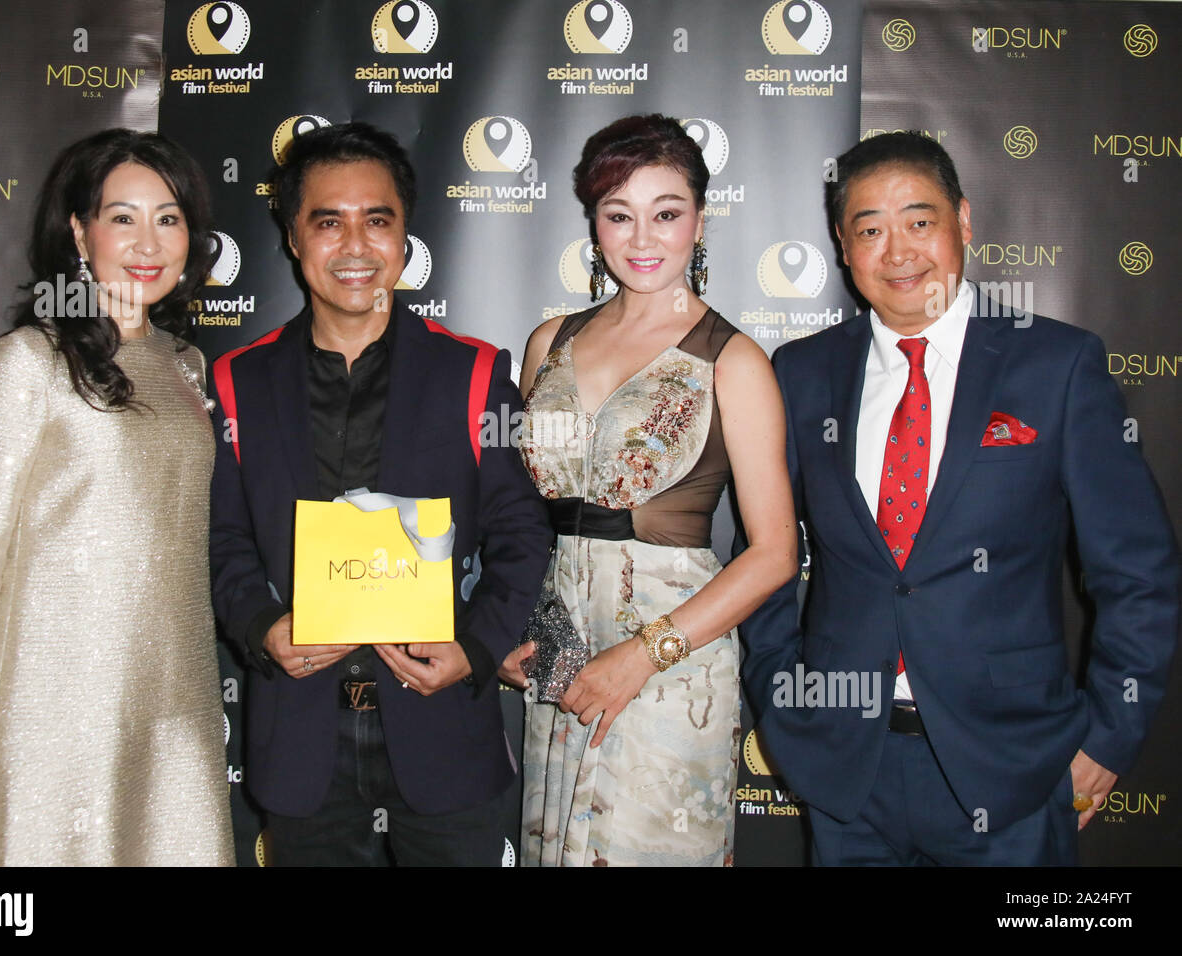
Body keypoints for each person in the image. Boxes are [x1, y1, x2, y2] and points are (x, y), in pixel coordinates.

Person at [741, 132, 1180, 865]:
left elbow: (1137, 570)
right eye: (870, 230)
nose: (899, 250)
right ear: (844, 248)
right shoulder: (802, 372)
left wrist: (1109, 736)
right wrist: (785, 711)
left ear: (964, 222)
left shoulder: (1057, 365)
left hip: (1012, 775)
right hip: (848, 775)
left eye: (920, 221)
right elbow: (765, 556)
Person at [208, 122, 551, 866]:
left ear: (404, 236)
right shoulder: (240, 381)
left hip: (441, 726)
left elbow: (522, 530)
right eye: (328, 222)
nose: (355, 247)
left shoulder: (473, 374)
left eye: (378, 220)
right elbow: (223, 540)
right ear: (294, 237)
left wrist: (476, 646)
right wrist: (263, 626)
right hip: (300, 734)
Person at [0, 129, 233, 866]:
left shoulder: (186, 366)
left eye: (168, 218)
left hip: (174, 710)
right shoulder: (24, 365)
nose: (148, 242)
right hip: (50, 721)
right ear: (79, 232)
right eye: (122, 217)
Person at [507, 114, 797, 866]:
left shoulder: (734, 361)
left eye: (666, 213)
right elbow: (519, 517)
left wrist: (643, 654)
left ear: (699, 222)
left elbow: (773, 554)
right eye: (618, 214)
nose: (642, 238)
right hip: (561, 658)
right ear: (594, 224)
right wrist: (507, 628)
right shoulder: (551, 341)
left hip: (673, 663)